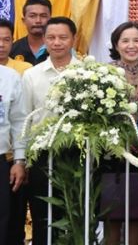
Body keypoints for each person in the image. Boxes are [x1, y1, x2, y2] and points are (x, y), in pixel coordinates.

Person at [21, 17, 80, 245]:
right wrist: (24, 158)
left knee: (75, 213)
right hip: (41, 156)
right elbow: (25, 119)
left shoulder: (87, 73)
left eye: (63, 37)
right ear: (44, 40)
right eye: (52, 37)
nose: (57, 42)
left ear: (74, 39)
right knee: (42, 215)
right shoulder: (31, 75)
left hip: (77, 154)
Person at [104, 21, 138, 245]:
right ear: (117, 44)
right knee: (111, 208)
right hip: (110, 149)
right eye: (125, 41)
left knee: (137, 208)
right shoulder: (104, 72)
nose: (131, 45)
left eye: (137, 40)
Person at [0, 20, 29, 245]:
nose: (1, 44)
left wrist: (19, 160)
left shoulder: (10, 78)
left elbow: (19, 121)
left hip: (3, 161)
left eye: (6, 39)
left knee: (4, 219)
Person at [11, 0, 51, 65]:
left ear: (50, 20)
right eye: (32, 16)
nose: (38, 20)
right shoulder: (13, 49)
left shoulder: (59, 48)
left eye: (43, 16)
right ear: (24, 20)